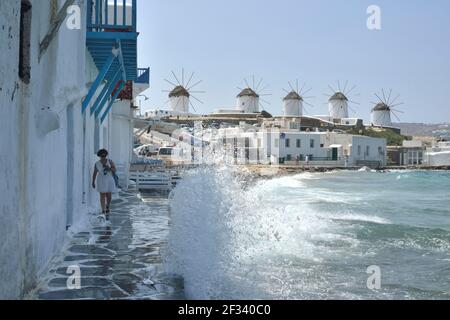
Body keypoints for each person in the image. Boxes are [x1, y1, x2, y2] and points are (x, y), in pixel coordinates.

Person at [92, 149, 117, 219]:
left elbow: (115, 170)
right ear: (99, 156)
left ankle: (107, 205)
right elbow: (95, 173)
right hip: (101, 180)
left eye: (104, 155)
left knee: (109, 195)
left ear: (106, 155)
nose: (103, 157)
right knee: (102, 195)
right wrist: (93, 181)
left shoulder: (110, 161)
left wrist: (109, 168)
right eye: (102, 156)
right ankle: (103, 210)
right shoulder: (97, 164)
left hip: (109, 180)